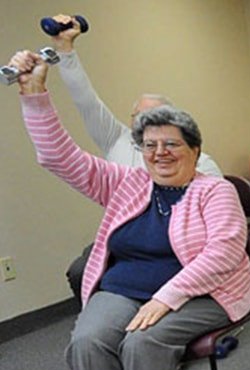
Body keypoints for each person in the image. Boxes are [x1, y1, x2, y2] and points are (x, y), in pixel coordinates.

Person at [9, 50, 250, 370]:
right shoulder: (126, 182)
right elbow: (59, 157)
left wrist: (167, 297)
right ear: (140, 151)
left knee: (144, 341)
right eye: (149, 145)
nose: (160, 153)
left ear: (195, 150)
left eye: (172, 144)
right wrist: (35, 94)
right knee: (88, 340)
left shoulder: (214, 191)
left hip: (204, 291)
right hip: (126, 287)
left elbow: (224, 252)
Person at [45, 14, 224, 304]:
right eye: (139, 118)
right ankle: (105, 318)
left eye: (154, 118)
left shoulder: (199, 163)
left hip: (175, 244)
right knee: (81, 270)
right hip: (125, 241)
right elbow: (85, 100)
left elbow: (217, 215)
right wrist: (65, 50)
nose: (146, 125)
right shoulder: (117, 139)